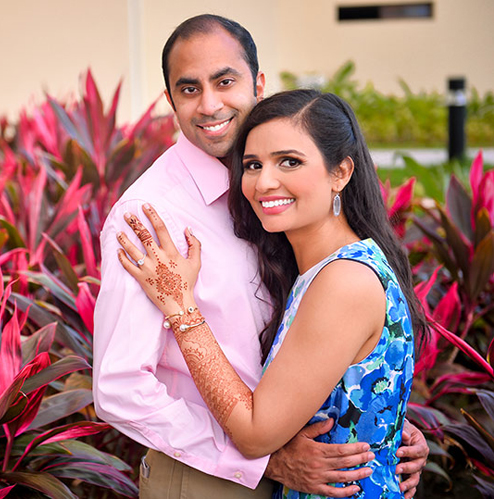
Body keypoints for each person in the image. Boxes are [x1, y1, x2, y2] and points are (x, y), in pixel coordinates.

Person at [92, 14, 428, 498]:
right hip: (208, 481)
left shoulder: (279, 203)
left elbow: (325, 339)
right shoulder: (149, 217)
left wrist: (378, 422)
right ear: (170, 101)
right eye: (189, 89)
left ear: (259, 83)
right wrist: (261, 462)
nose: (209, 104)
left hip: (312, 468)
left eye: (225, 81)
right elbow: (120, 387)